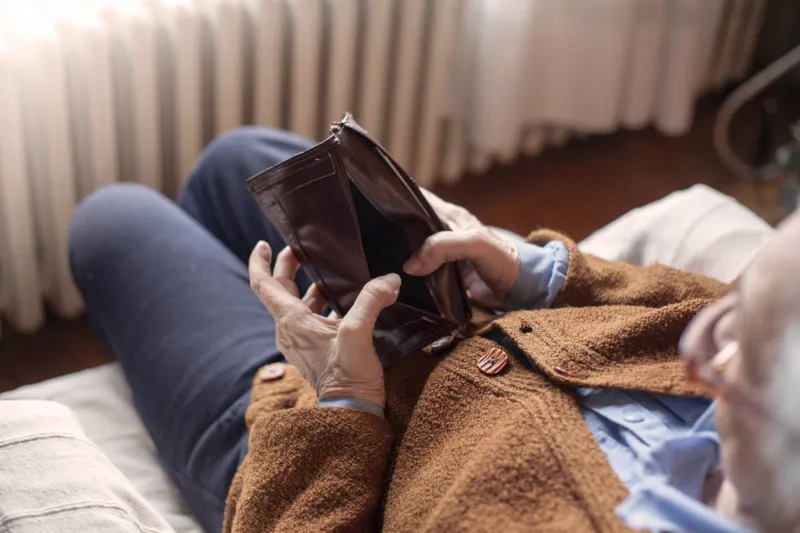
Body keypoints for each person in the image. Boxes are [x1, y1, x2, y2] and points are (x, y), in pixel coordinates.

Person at [68, 126, 794, 533]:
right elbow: (695, 303)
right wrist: (528, 273)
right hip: (443, 323)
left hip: (309, 445)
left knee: (113, 222)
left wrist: (341, 398)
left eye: (737, 347)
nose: (699, 339)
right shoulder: (761, 381)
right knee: (239, 162)